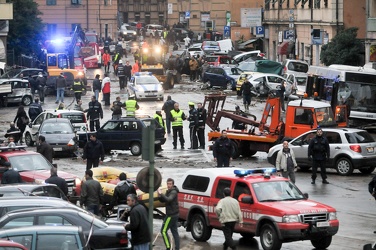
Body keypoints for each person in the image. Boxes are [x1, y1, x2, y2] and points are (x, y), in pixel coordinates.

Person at [158, 178, 180, 250]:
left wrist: (161, 194)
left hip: (171, 215)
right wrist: (159, 195)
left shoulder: (173, 192)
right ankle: (177, 248)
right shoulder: (169, 191)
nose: (168, 185)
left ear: (173, 185)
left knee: (163, 231)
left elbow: (168, 199)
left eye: (170, 184)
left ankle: (168, 247)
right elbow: (163, 200)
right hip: (174, 214)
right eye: (168, 184)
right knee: (174, 232)